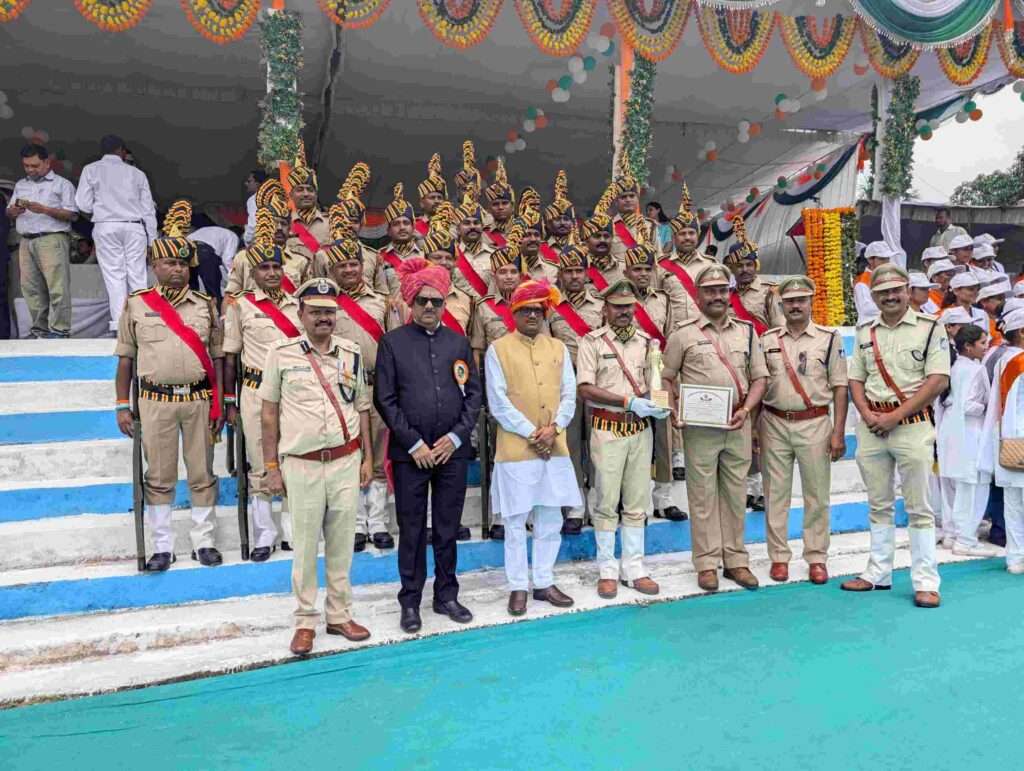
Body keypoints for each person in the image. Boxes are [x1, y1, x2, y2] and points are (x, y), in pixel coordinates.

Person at [260, 277, 374, 655]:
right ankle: (305, 620)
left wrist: (368, 458)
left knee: (342, 544)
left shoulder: (351, 352)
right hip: (302, 464)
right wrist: (271, 466)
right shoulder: (281, 353)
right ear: (301, 313)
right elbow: (269, 412)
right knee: (305, 546)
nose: (324, 318)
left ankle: (339, 615)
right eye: (316, 312)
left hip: (345, 460)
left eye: (329, 311)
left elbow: (361, 407)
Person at [113, 201, 223, 572]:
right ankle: (162, 546)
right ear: (154, 267)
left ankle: (203, 542)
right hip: (154, 402)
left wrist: (222, 402)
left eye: (182, 263)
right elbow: (126, 358)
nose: (177, 269)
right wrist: (120, 405)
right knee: (158, 476)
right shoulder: (137, 304)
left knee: (202, 472)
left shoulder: (207, 306)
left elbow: (218, 357)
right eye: (169, 263)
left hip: (197, 399)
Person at [374, 257, 482, 634]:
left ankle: (447, 594)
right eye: (422, 301)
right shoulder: (392, 344)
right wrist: (415, 443)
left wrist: (455, 438)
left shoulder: (457, 342)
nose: (430, 308)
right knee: (413, 527)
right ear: (410, 303)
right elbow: (385, 400)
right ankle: (410, 600)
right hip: (411, 455)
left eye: (437, 301)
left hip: (451, 453)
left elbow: (473, 396)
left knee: (449, 525)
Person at [842, 264, 950, 608]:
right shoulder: (864, 332)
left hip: (912, 424)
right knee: (878, 503)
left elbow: (938, 380)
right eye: (883, 292)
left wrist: (894, 416)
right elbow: (855, 380)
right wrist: (869, 414)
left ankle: (925, 581)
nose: (890, 297)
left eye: (896, 291)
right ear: (873, 297)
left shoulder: (931, 328)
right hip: (873, 425)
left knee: (919, 507)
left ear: (908, 291)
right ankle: (877, 572)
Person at [662, 264, 768, 591]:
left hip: (737, 422)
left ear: (729, 293)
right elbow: (666, 377)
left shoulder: (746, 331)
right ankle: (706, 562)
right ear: (698, 295)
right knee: (703, 496)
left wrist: (747, 410)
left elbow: (760, 378)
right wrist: (674, 406)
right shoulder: (683, 334)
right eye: (710, 290)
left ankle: (736, 560)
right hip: (700, 428)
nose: (717, 296)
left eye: (722, 289)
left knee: (736, 495)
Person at [485, 279, 580, 615]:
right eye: (524, 309)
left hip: (554, 446)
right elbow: (498, 403)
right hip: (515, 450)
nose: (531, 316)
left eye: (537, 310)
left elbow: (570, 393)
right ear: (513, 313)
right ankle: (517, 586)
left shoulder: (558, 348)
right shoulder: (498, 349)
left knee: (550, 517)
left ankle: (543, 580)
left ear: (545, 313)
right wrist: (533, 433)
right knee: (515, 521)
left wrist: (554, 429)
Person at [577, 279, 670, 598]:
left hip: (640, 430)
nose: (623, 312)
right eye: (617, 307)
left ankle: (634, 568)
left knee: (637, 500)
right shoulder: (592, 342)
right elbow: (585, 388)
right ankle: (607, 569)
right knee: (604, 500)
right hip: (607, 427)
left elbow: (655, 380)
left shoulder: (648, 343)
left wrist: (659, 403)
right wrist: (626, 401)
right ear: (605, 309)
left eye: (628, 307)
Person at [222, 208, 301, 561]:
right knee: (259, 463)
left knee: (294, 459)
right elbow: (229, 355)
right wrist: (229, 400)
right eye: (264, 268)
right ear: (252, 273)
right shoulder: (241, 306)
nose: (271, 273)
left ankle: (291, 532)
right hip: (255, 391)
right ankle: (263, 535)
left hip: (293, 391)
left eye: (275, 267)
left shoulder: (300, 305)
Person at [759, 276, 849, 584]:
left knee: (816, 494)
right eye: (790, 301)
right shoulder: (768, 340)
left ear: (811, 302)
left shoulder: (828, 338)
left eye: (802, 300)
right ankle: (779, 557)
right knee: (775, 495)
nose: (796, 305)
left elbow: (839, 388)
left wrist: (837, 432)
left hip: (814, 423)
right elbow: (759, 384)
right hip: (773, 422)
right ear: (781, 305)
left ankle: (816, 557)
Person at [322, 228, 399, 552]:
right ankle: (354, 525)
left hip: (377, 384)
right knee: (349, 457)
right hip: (341, 388)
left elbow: (395, 346)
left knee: (379, 456)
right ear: (332, 271)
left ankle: (378, 523)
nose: (350, 270)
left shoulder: (382, 302)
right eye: (343, 266)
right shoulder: (326, 305)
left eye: (354, 264)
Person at [546, 244, 604, 534]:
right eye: (567, 271)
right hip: (565, 381)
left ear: (586, 273)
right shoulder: (551, 308)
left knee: (598, 444)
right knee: (569, 446)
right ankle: (575, 506)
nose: (573, 276)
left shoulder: (601, 305)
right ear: (560, 275)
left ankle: (597, 503)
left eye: (578, 270)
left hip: (597, 382)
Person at [624, 244, 684, 522]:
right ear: (626, 271)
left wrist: (670, 377)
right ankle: (631, 499)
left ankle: (663, 498)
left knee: (662, 433)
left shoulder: (662, 299)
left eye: (647, 269)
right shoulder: (615, 299)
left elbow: (672, 336)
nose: (643, 274)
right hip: (627, 374)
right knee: (628, 434)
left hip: (658, 374)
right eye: (637, 269)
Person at [75, 134, 158, 333]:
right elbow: (148, 210)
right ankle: (141, 323)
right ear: (121, 150)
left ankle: (120, 326)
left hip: (106, 226)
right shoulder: (137, 174)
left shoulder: (91, 170)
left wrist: (102, 205)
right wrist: (152, 239)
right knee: (138, 275)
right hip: (134, 227)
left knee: (114, 277)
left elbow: (82, 204)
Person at [937, 324, 997, 557]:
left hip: (950, 431)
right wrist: (989, 407)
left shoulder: (952, 367)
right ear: (968, 347)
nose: (986, 346)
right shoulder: (975, 369)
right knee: (973, 487)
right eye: (982, 343)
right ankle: (966, 539)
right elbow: (971, 406)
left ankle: (952, 533)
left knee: (954, 486)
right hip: (970, 433)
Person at [7, 144, 77, 338]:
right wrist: (12, 211)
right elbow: (9, 210)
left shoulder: (62, 184)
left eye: (35, 165)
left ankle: (60, 329)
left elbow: (72, 214)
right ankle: (40, 330)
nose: (30, 169)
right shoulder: (21, 184)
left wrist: (45, 209)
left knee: (57, 287)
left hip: (52, 239)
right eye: (26, 166)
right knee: (31, 288)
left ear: (47, 162)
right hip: (26, 240)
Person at [979, 309, 1024, 574]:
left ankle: (1016, 557)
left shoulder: (999, 358)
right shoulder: (1019, 361)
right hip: (1019, 436)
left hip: (1006, 439)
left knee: (1013, 503)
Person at [226, 179, 309, 295]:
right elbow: (230, 297)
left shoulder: (301, 261)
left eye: (284, 224)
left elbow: (307, 301)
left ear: (290, 228)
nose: (279, 228)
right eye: (274, 222)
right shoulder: (243, 257)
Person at [658, 182, 716, 330]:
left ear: (697, 235)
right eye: (682, 234)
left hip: (706, 333)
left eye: (691, 233)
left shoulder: (711, 265)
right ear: (674, 237)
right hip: (673, 334)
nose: (687, 237)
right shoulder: (660, 266)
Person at [284, 144, 330, 265]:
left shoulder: (332, 223)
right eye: (300, 190)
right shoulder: (283, 224)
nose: (306, 194)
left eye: (310, 190)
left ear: (316, 194)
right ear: (291, 195)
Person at [377, 183, 425, 297]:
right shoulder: (379, 257)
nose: (402, 227)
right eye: (396, 224)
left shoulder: (425, 254)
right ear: (388, 230)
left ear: (413, 227)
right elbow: (379, 293)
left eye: (406, 223)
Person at [451, 183, 494, 301]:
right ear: (458, 229)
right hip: (460, 312)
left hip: (488, 314)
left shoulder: (495, 255)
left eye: (476, 223)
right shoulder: (451, 256)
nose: (472, 227)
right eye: (467, 223)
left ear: (482, 226)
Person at [609, 157, 655, 262]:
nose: (628, 200)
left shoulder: (651, 226)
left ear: (638, 199)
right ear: (616, 201)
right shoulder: (608, 226)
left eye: (631, 196)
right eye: (623, 197)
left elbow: (658, 259)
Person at [189, 223, 239, 307]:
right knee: (214, 294)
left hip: (187, 248)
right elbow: (227, 260)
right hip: (204, 252)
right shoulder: (233, 236)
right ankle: (217, 315)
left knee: (192, 292)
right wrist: (235, 281)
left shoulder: (210, 230)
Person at [853, 241, 893, 322]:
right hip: (869, 328)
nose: (886, 262)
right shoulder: (862, 281)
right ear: (870, 260)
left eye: (888, 258)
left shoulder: (887, 277)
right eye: (882, 259)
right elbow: (866, 309)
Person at [483, 158, 515, 248]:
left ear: (512, 206)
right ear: (489, 208)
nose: (500, 207)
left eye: (505, 203)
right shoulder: (482, 234)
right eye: (495, 204)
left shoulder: (524, 231)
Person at [415, 152, 447, 239]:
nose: (437, 201)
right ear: (422, 203)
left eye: (440, 198)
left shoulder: (453, 226)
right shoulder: (413, 228)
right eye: (432, 197)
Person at [242, 169, 267, 246]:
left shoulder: (254, 199)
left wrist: (247, 238)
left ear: (258, 183)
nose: (246, 183)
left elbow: (254, 223)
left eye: (249, 181)